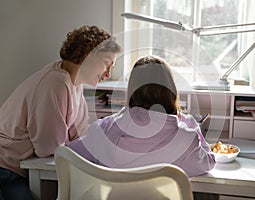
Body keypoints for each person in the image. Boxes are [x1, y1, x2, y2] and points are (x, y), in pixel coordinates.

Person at [0, 25, 121, 199]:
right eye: (106, 64)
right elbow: (48, 148)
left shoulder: (75, 83)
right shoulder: (55, 83)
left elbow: (79, 135)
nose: (108, 73)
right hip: (7, 168)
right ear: (87, 57)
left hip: (27, 167)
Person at [67, 55, 216, 177]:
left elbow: (69, 152)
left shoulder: (103, 130)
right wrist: (192, 125)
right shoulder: (186, 140)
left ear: (131, 90)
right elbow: (209, 161)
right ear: (171, 91)